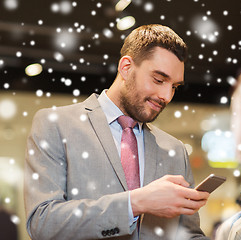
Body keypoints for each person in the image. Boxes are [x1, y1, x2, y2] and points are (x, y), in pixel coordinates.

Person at [24, 24, 210, 240]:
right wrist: (137, 202)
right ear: (126, 67)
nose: (166, 95)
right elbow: (42, 222)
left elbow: (188, 234)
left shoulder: (175, 150)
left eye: (174, 86)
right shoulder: (56, 125)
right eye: (158, 80)